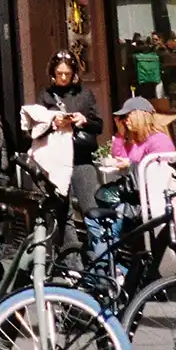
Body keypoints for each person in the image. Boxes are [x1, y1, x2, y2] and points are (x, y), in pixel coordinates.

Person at [84, 97, 176, 269]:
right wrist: (120, 133)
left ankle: (107, 277)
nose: (126, 121)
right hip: (134, 200)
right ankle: (115, 272)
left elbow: (158, 177)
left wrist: (131, 165)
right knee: (95, 221)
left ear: (140, 115)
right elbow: (119, 155)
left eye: (128, 116)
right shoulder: (138, 141)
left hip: (147, 204)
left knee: (106, 227)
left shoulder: (158, 140)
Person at [38, 49, 103, 246]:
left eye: (67, 73)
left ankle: (100, 263)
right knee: (62, 213)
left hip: (82, 159)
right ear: (53, 73)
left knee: (92, 211)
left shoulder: (84, 94)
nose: (63, 78)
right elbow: (35, 129)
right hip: (57, 161)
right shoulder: (46, 96)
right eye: (59, 74)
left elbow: (98, 126)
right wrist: (52, 123)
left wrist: (83, 120)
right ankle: (71, 262)